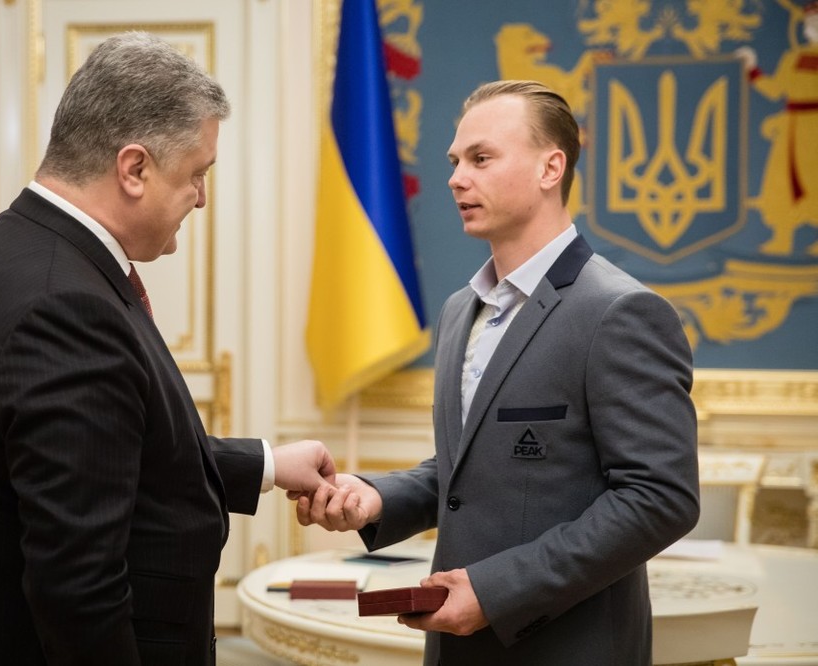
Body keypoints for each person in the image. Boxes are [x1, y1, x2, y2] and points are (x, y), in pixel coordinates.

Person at [0, 33, 335, 666]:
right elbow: (79, 590)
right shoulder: (63, 307)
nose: (202, 197)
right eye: (196, 174)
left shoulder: (14, 252)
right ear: (134, 168)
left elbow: (101, 452)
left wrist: (265, 465)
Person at [296, 80, 700, 665]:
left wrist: (495, 592)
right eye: (455, 162)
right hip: (455, 647)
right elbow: (471, 469)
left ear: (550, 168)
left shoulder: (620, 311)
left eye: (481, 158)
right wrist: (377, 497)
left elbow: (660, 498)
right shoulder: (461, 309)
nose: (457, 178)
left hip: (569, 649)